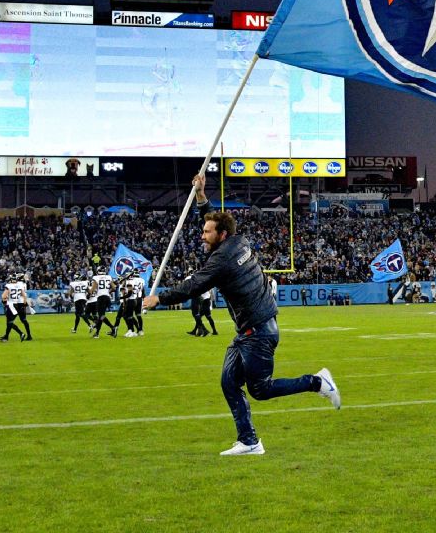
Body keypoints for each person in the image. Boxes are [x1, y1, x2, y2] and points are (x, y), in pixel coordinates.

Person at [142, 172, 339, 456]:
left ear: (221, 236)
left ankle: (318, 382)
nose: (202, 235)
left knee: (260, 390)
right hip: (251, 330)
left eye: (207, 232)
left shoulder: (221, 260)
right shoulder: (239, 241)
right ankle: (249, 441)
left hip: (258, 332)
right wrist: (200, 196)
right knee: (228, 381)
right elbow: (212, 219)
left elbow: (194, 286)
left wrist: (159, 297)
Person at [0, 273, 32, 342]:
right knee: (23, 320)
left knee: (10, 322)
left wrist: (4, 300)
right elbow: (24, 295)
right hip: (20, 303)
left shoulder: (11, 285)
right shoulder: (21, 284)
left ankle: (18, 334)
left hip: (13, 304)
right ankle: (6, 336)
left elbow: (4, 296)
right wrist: (24, 303)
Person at [90, 268, 116, 338]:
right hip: (107, 298)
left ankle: (113, 328)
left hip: (101, 298)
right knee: (101, 316)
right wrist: (108, 292)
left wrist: (89, 293)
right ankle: (97, 333)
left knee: (101, 316)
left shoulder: (96, 277)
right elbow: (114, 288)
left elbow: (92, 289)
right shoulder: (108, 277)